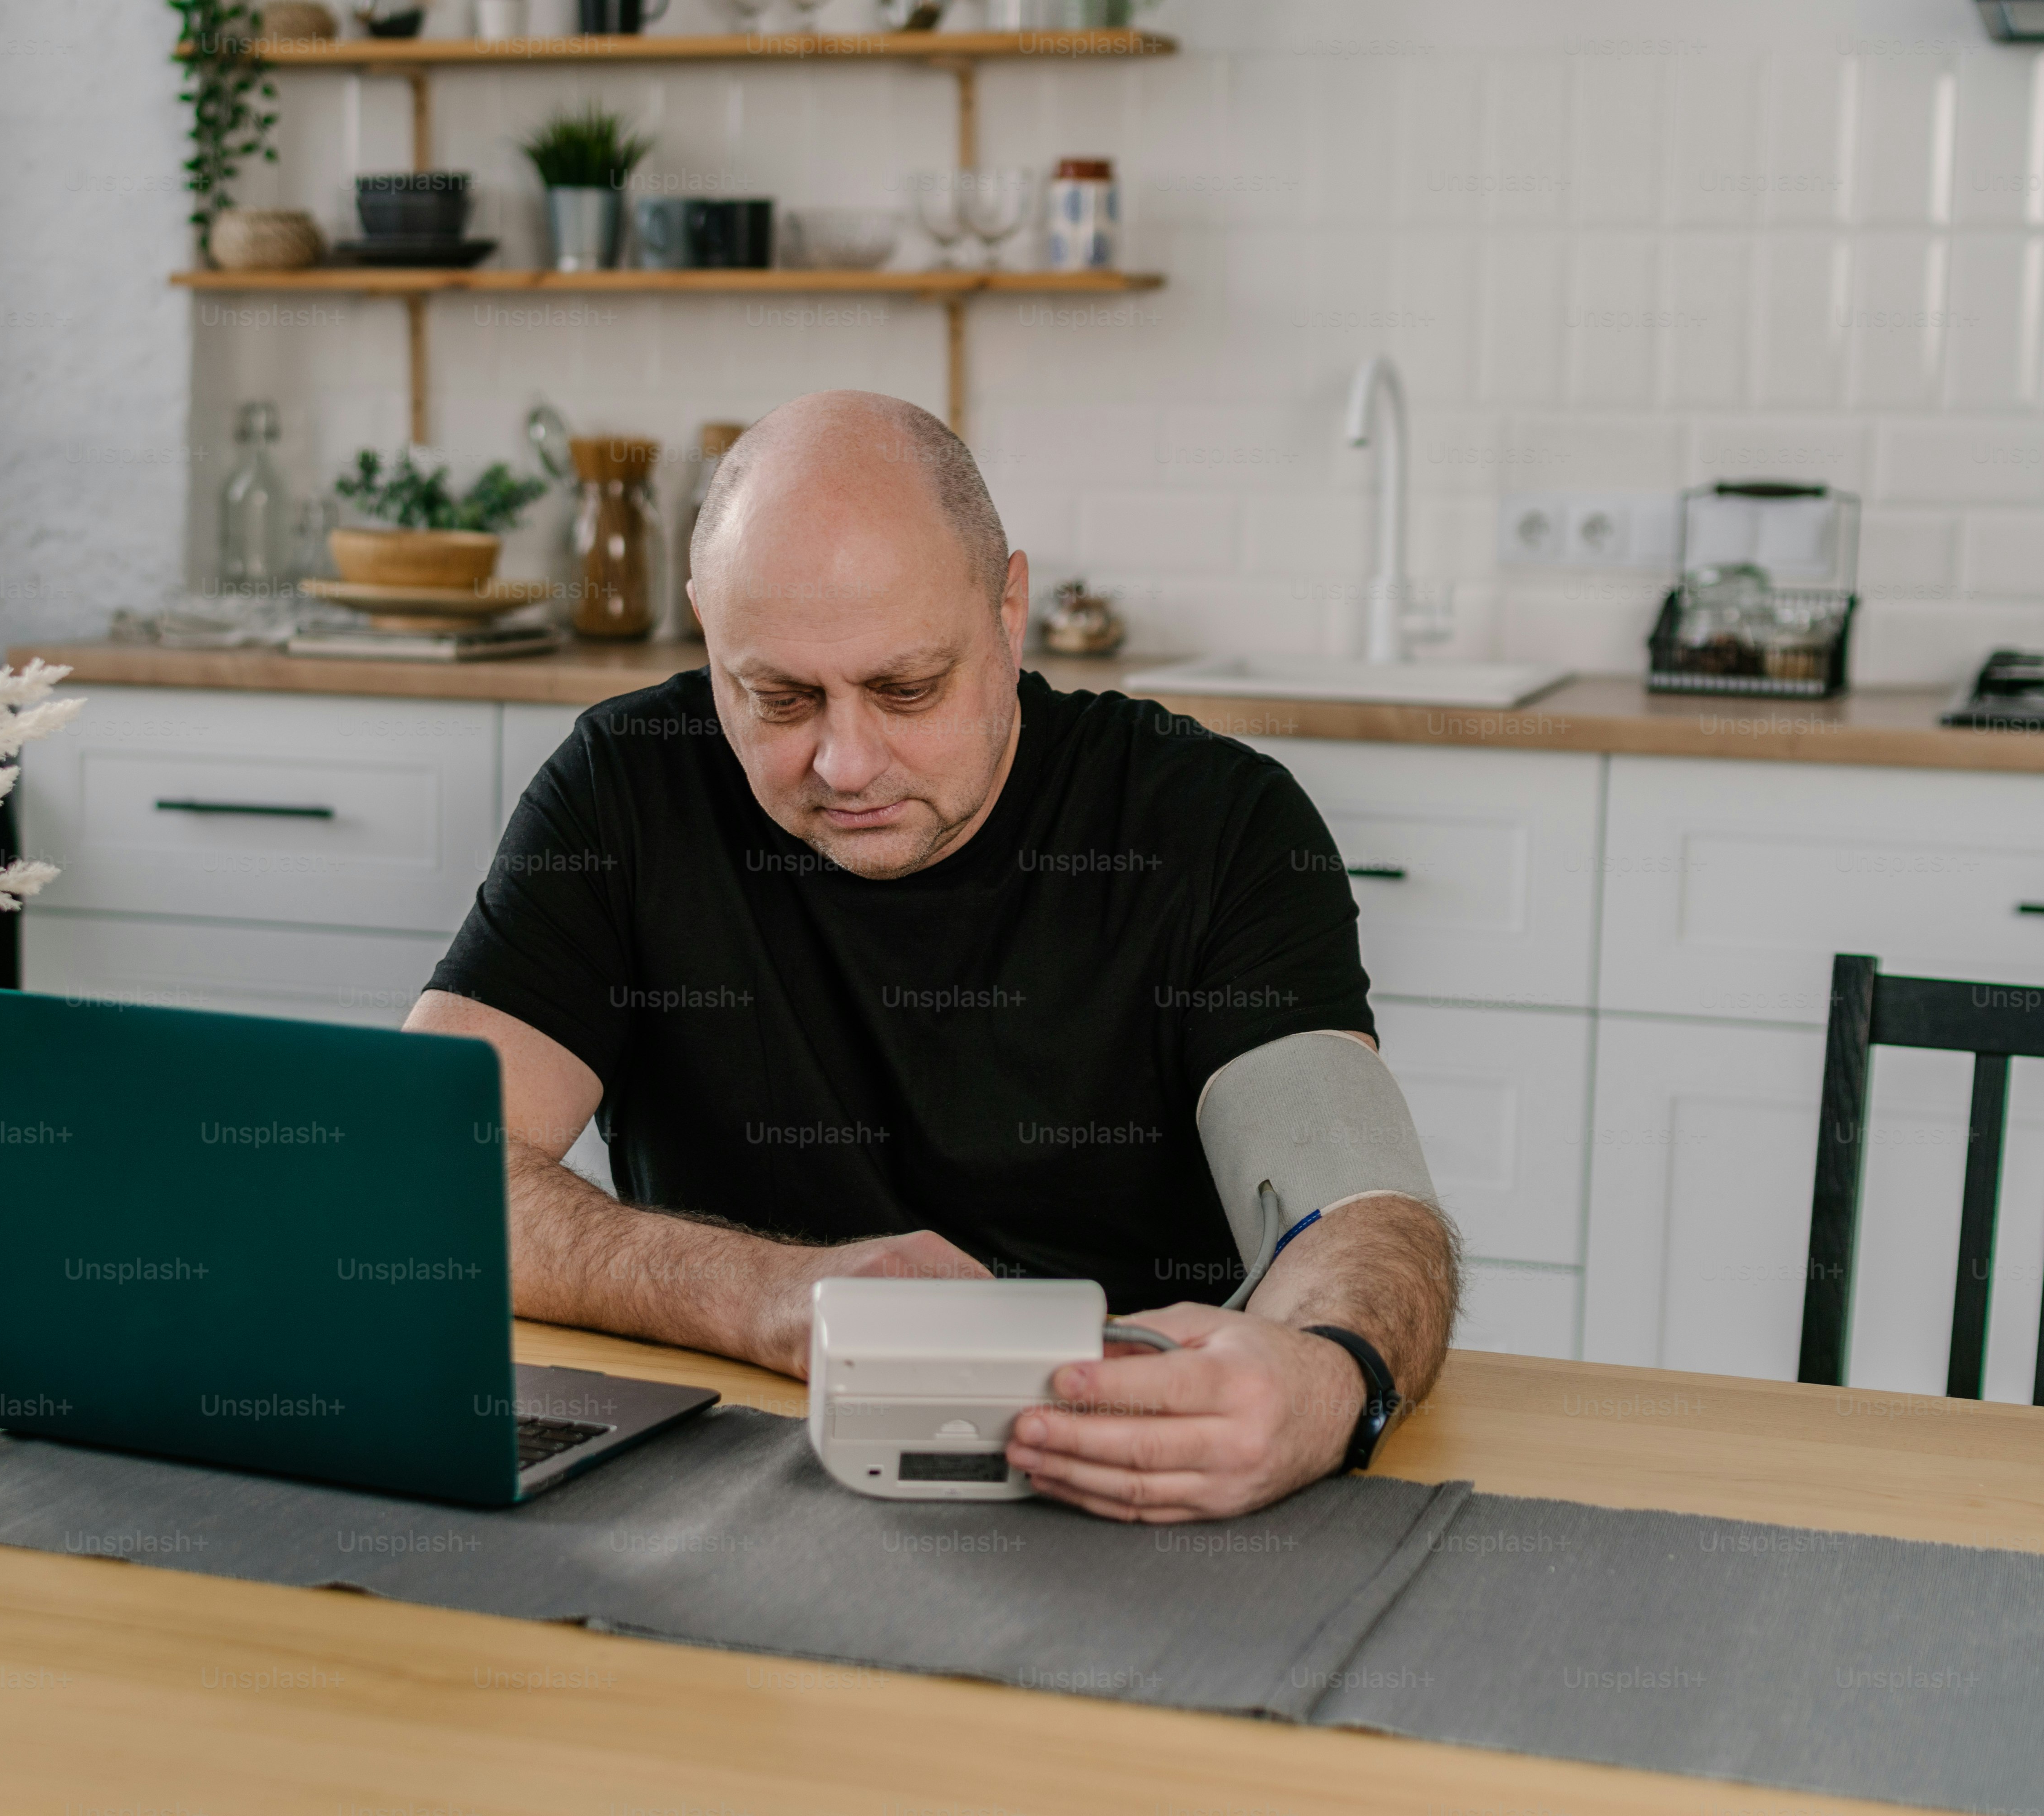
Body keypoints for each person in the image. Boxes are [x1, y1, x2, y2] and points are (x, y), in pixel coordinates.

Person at [406, 390, 1457, 1522]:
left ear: (1009, 609)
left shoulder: (1215, 823)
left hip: (1128, 1489)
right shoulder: (625, 787)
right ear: (709, 628)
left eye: (908, 689)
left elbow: (1363, 1215)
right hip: (740, 1472)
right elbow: (413, 1178)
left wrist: (1330, 1378)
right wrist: (773, 1296)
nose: (846, 762)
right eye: (779, 695)